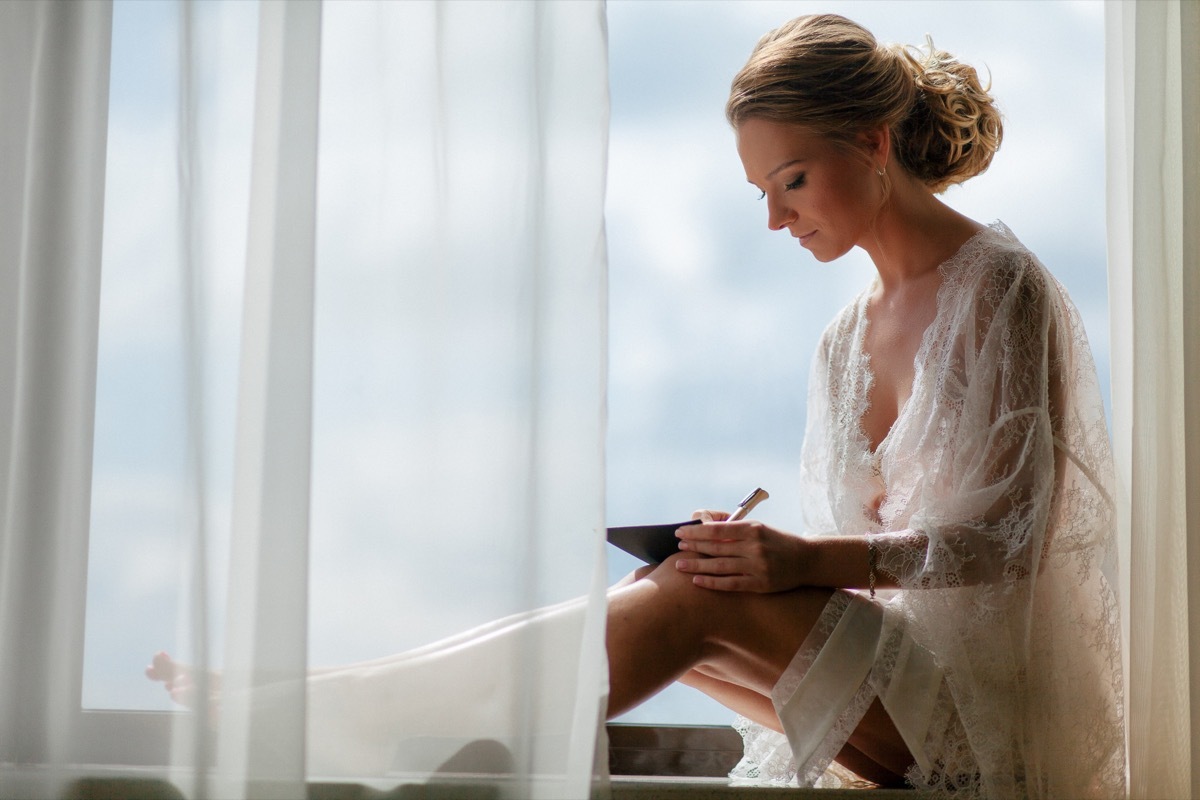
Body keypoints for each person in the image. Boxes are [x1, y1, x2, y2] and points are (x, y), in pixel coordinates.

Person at [151, 13, 1125, 798]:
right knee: (669, 592)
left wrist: (798, 560)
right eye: (761, 191)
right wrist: (752, 554)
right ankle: (346, 703)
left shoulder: (1002, 288)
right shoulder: (843, 337)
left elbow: (1013, 540)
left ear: (872, 141)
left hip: (990, 712)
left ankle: (342, 712)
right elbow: (868, 552)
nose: (777, 217)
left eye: (790, 180)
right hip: (896, 697)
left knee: (689, 596)